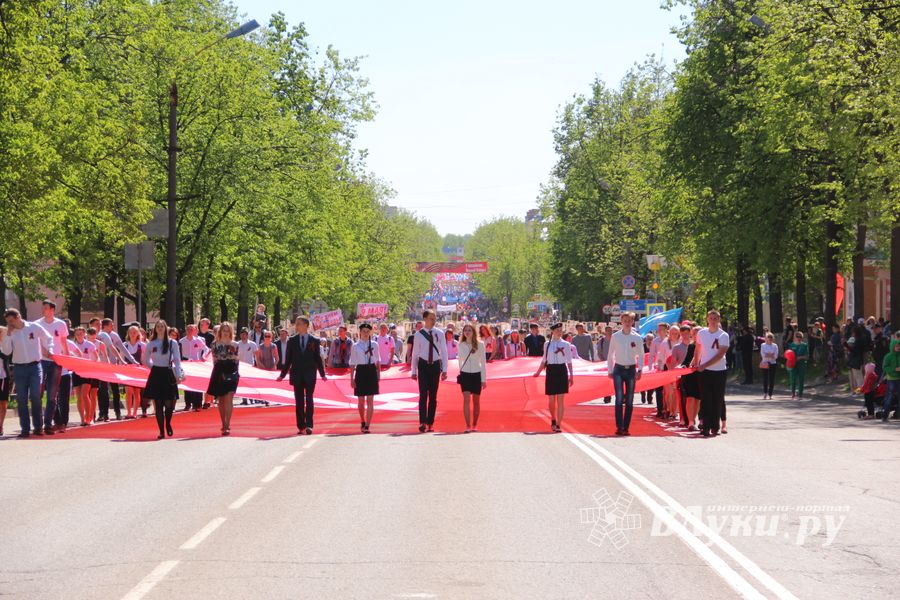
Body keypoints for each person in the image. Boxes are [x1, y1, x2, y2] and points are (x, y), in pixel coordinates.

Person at [1, 309, 54, 437]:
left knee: (35, 396)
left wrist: (50, 349)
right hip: (19, 369)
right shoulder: (10, 333)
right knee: (22, 399)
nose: (10, 324)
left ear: (18, 316)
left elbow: (48, 337)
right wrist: (8, 334)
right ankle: (25, 429)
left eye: (12, 321)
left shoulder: (34, 326)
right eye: (8, 322)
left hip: (35, 367)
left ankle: (38, 427)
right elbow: (7, 352)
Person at [277, 316, 327, 435]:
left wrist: (322, 374)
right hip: (297, 375)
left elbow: (317, 359)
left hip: (310, 374)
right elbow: (288, 360)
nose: (296, 326)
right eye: (296, 323)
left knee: (309, 399)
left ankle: (309, 424)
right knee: (299, 401)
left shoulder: (314, 340)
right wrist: (282, 375)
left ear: (305, 325)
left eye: (299, 323)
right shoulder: (292, 341)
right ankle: (301, 425)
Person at [142, 320, 184, 440]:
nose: (160, 328)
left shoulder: (172, 343)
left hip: (168, 372)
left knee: (169, 403)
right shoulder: (151, 343)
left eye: (162, 326)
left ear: (166, 328)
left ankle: (168, 423)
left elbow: (177, 360)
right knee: (158, 403)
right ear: (155, 329)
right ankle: (161, 430)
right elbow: (145, 359)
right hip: (156, 374)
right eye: (158, 327)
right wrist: (153, 367)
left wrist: (178, 374)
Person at [410, 310, 449, 433]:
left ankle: (430, 422)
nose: (433, 320)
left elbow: (444, 351)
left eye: (434, 318)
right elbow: (415, 353)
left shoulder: (440, 333)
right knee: (423, 395)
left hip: (435, 365)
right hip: (423, 365)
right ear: (425, 319)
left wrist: (445, 370)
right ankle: (422, 422)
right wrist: (413, 371)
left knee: (433, 396)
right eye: (431, 318)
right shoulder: (418, 334)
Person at [693, 310, 730, 437]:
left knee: (717, 398)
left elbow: (720, 355)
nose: (713, 321)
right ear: (707, 319)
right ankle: (705, 427)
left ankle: (716, 426)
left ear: (718, 320)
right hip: (705, 372)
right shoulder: (701, 333)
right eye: (711, 318)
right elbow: (698, 348)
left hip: (719, 371)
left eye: (715, 318)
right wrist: (696, 362)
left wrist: (704, 365)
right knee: (706, 398)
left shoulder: (723, 335)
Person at [34, 300, 69, 434]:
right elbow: (36, 343)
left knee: (52, 396)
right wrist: (47, 354)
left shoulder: (61, 324)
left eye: (46, 308)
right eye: (42, 308)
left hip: (56, 363)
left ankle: (48, 425)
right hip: (41, 361)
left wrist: (66, 360)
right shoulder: (37, 324)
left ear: (52, 310)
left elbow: (64, 343)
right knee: (38, 394)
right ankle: (38, 425)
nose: (43, 310)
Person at [533, 323, 574, 432]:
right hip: (551, 371)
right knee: (551, 400)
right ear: (552, 332)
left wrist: (571, 375)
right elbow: (544, 360)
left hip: (561, 370)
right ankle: (553, 418)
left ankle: (559, 424)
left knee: (560, 399)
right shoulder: (547, 344)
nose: (559, 332)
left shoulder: (566, 344)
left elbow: (569, 361)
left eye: (561, 330)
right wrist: (537, 372)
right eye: (557, 330)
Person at [607, 313, 644, 436]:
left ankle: (625, 427)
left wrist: (640, 370)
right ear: (621, 322)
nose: (627, 322)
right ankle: (619, 426)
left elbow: (641, 355)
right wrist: (610, 370)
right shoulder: (616, 336)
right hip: (618, 369)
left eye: (629, 320)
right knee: (618, 398)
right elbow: (610, 354)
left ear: (632, 322)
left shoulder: (637, 337)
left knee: (629, 399)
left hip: (631, 370)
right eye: (625, 320)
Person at [207, 322, 240, 435]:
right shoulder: (214, 344)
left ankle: (227, 424)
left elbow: (236, 359)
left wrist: (231, 357)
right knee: (221, 399)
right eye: (224, 330)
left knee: (229, 398)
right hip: (219, 370)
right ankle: (223, 423)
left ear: (230, 332)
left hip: (232, 370)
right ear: (220, 331)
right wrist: (227, 356)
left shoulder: (235, 344)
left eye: (227, 330)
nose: (225, 333)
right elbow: (215, 359)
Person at [349, 323, 380, 433]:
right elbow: (352, 363)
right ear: (360, 332)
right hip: (360, 371)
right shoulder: (355, 346)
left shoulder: (375, 344)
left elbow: (377, 360)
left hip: (371, 371)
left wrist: (378, 374)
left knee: (370, 399)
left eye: (368, 331)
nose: (366, 333)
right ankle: (362, 420)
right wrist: (351, 378)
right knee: (361, 400)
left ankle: (367, 425)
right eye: (364, 331)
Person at [457, 323, 487, 432]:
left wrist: (483, 380)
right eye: (465, 330)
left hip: (476, 373)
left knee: (476, 401)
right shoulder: (461, 345)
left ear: (473, 332)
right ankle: (467, 425)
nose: (467, 332)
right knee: (466, 399)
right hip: (465, 374)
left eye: (469, 330)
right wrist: (460, 372)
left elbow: (483, 363)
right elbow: (459, 360)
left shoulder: (480, 344)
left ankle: (475, 424)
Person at [179, 324, 209, 411]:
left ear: (194, 331)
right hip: (186, 364)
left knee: (197, 384)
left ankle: (197, 404)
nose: (190, 331)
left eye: (192, 329)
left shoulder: (198, 340)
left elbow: (206, 349)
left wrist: (203, 356)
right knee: (187, 384)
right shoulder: (181, 341)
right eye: (188, 329)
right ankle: (187, 403)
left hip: (196, 364)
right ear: (186, 330)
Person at [72, 326, 98, 426]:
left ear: (84, 334)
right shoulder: (72, 344)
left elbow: (96, 357)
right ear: (75, 335)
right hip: (76, 372)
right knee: (79, 397)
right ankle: (82, 419)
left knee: (85, 394)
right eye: (77, 334)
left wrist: (91, 366)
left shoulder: (89, 344)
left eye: (81, 334)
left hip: (87, 372)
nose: (79, 336)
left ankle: (89, 417)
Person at [123, 325, 146, 419]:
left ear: (138, 333)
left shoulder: (142, 345)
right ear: (128, 333)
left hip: (138, 371)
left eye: (135, 332)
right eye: (131, 332)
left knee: (137, 392)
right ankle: (129, 412)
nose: (133, 334)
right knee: (128, 391)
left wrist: (145, 370)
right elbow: (120, 358)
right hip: (127, 371)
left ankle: (135, 412)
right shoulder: (124, 345)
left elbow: (144, 359)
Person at [236, 328, 259, 405]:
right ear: (240, 335)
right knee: (242, 383)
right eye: (242, 334)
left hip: (250, 367)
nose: (243, 336)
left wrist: (258, 365)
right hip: (240, 367)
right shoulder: (237, 344)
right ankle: (244, 399)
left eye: (245, 334)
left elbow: (256, 355)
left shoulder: (252, 344)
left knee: (251, 383)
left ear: (247, 335)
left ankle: (252, 398)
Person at [880, 339, 900, 422]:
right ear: (892, 346)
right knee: (889, 397)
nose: (898, 347)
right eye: (897, 346)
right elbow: (885, 367)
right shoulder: (888, 356)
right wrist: (894, 369)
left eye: (899, 346)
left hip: (899, 378)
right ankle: (885, 415)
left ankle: (898, 415)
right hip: (891, 379)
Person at [788, 332, 809, 399]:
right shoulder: (791, 345)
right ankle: (793, 393)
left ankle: (800, 395)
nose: (799, 338)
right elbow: (788, 354)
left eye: (800, 337)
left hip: (801, 364)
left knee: (801, 379)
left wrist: (800, 358)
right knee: (793, 379)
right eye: (797, 336)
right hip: (793, 364)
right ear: (794, 337)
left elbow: (807, 356)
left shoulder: (804, 345)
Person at [595, 326, 613, 404]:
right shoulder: (601, 341)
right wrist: (603, 361)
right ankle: (607, 396)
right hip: (605, 364)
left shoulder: (615, 340)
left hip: (615, 363)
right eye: (608, 331)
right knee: (606, 381)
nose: (609, 332)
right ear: (605, 331)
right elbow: (599, 352)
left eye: (611, 331)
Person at [759, 332, 779, 399]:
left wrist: (769, 354)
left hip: (773, 363)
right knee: (765, 379)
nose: (770, 339)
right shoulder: (763, 345)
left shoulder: (775, 346)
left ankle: (770, 394)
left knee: (772, 379)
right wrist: (770, 355)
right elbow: (763, 355)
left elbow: (775, 356)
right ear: (766, 338)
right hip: (765, 363)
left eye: (771, 338)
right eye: (768, 338)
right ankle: (765, 393)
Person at [0, 327, 10, 436]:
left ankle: (1, 425)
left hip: (2, 377)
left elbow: (6, 356)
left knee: (3, 402)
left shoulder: (5, 346)